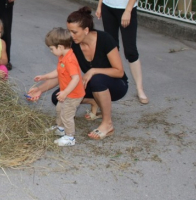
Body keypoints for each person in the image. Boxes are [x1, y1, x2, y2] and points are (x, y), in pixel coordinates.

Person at [28, 7, 128, 140]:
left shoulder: (105, 39)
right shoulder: (74, 45)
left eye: (74, 32)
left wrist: (93, 70)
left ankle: (107, 123)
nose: (70, 35)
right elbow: (62, 73)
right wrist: (40, 89)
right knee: (58, 97)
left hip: (116, 85)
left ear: (86, 30)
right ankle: (95, 101)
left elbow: (119, 72)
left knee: (97, 79)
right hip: (93, 85)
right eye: (69, 31)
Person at [29, 28, 85, 146]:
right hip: (67, 93)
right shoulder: (63, 57)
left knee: (67, 115)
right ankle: (60, 129)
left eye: (51, 49)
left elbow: (76, 78)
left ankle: (70, 137)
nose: (50, 51)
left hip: (73, 94)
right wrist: (44, 77)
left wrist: (65, 92)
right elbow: (58, 72)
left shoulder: (70, 60)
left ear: (60, 47)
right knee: (59, 109)